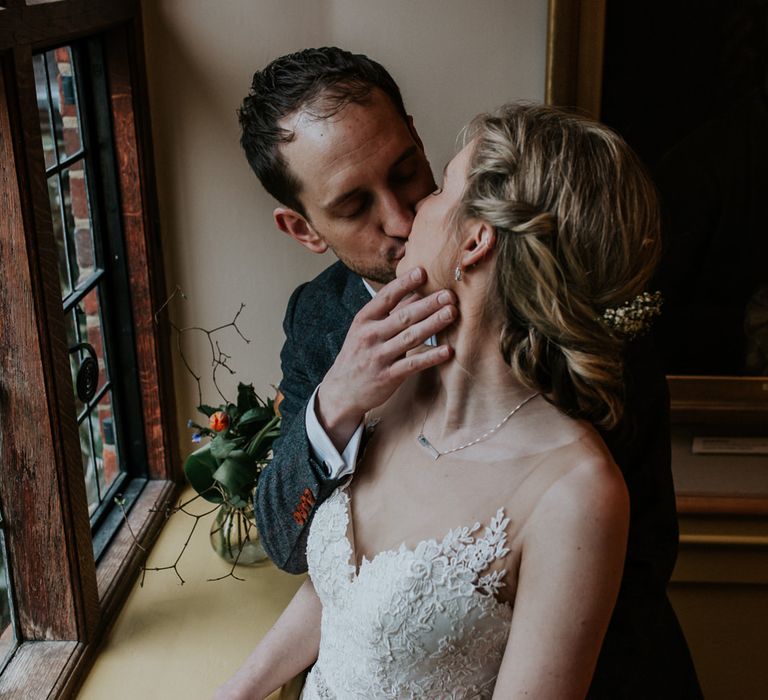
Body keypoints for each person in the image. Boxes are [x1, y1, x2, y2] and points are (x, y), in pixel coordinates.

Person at [237, 48, 701, 698]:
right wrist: (334, 403)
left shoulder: (591, 338)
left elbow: (637, 565)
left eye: (410, 174)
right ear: (303, 228)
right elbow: (308, 557)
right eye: (353, 206)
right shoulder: (324, 328)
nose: (400, 219)